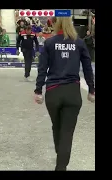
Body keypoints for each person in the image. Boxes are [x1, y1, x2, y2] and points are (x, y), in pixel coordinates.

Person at [34, 17, 95, 171]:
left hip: (53, 91)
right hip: (72, 92)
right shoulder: (79, 43)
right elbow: (88, 68)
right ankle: (61, 165)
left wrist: (38, 90)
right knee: (67, 132)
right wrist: (92, 90)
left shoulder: (49, 43)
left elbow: (42, 68)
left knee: (57, 126)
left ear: (56, 24)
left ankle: (60, 155)